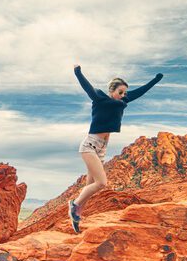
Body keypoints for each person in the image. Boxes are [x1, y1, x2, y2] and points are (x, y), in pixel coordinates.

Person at [69, 63, 163, 233]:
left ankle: (77, 214)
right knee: (101, 183)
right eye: (120, 92)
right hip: (90, 145)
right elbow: (87, 87)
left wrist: (155, 80)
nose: (123, 95)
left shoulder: (124, 101)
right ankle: (74, 205)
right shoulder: (99, 98)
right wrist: (78, 72)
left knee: (90, 184)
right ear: (111, 91)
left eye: (124, 93)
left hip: (102, 148)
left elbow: (141, 91)